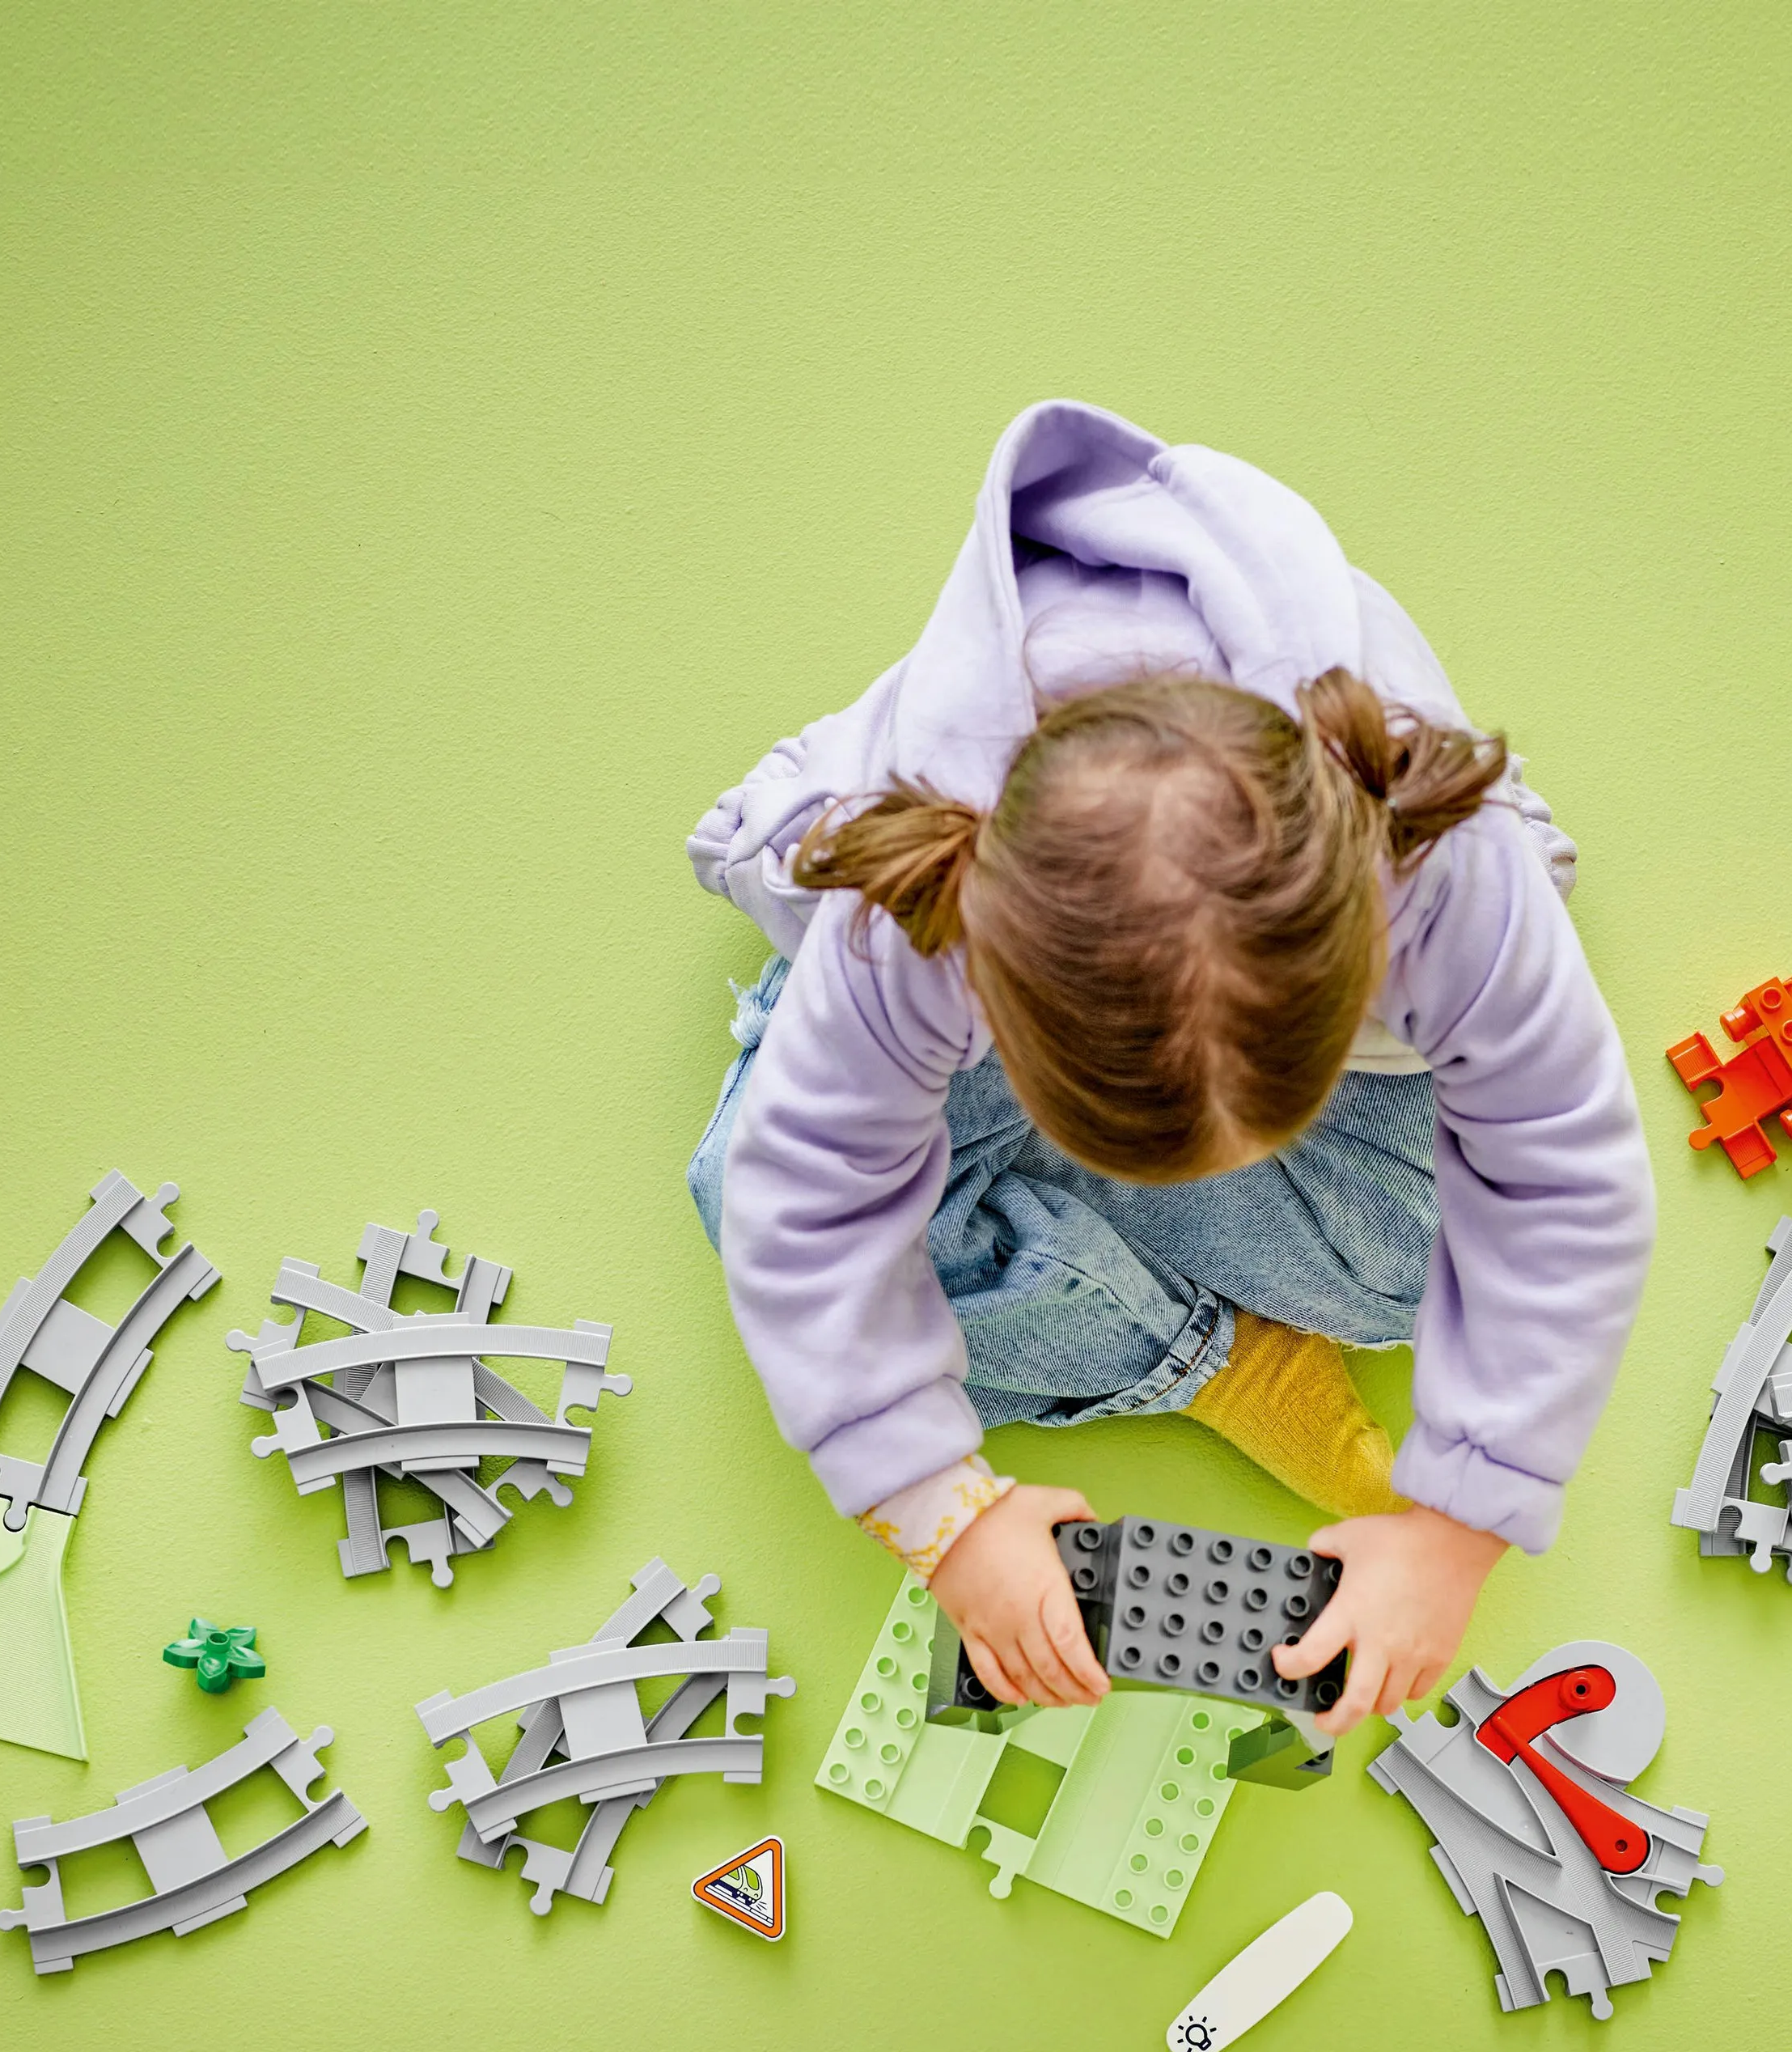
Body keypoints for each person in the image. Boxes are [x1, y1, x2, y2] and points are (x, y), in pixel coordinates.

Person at [686, 400, 1654, 1732]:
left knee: (1417, 1278)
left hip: (1308, 990)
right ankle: (1207, 1357)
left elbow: (1566, 1172)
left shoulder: (1447, 867)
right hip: (966, 975)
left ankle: (1066, 1265)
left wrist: (1458, 1526)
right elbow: (799, 1201)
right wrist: (943, 1516)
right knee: (745, 1198)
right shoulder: (919, 909)